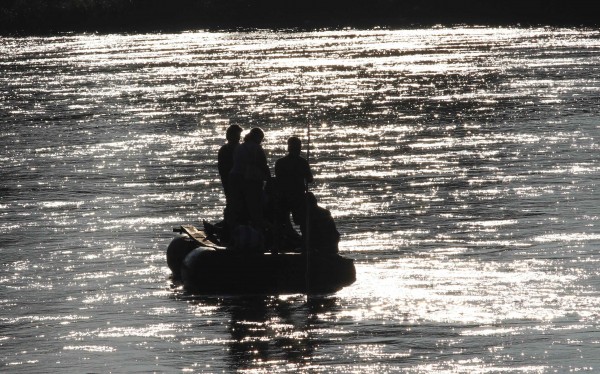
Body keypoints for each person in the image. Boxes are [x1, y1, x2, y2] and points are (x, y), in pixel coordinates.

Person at [228, 127, 271, 236]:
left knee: (237, 206)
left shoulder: (240, 147)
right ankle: (258, 232)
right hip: (249, 181)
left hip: (234, 178)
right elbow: (263, 165)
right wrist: (269, 179)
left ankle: (233, 231)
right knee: (254, 207)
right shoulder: (256, 148)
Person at [274, 136, 313, 239]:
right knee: (303, 221)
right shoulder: (303, 162)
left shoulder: (280, 162)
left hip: (284, 195)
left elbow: (278, 179)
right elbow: (310, 179)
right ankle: (305, 244)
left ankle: (276, 245)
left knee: (280, 221)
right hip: (297, 196)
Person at [217, 125, 243, 238]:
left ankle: (228, 228)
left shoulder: (240, 149)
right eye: (236, 135)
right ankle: (227, 228)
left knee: (236, 206)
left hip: (239, 183)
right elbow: (222, 169)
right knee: (232, 205)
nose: (238, 138)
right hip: (231, 182)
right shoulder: (225, 150)